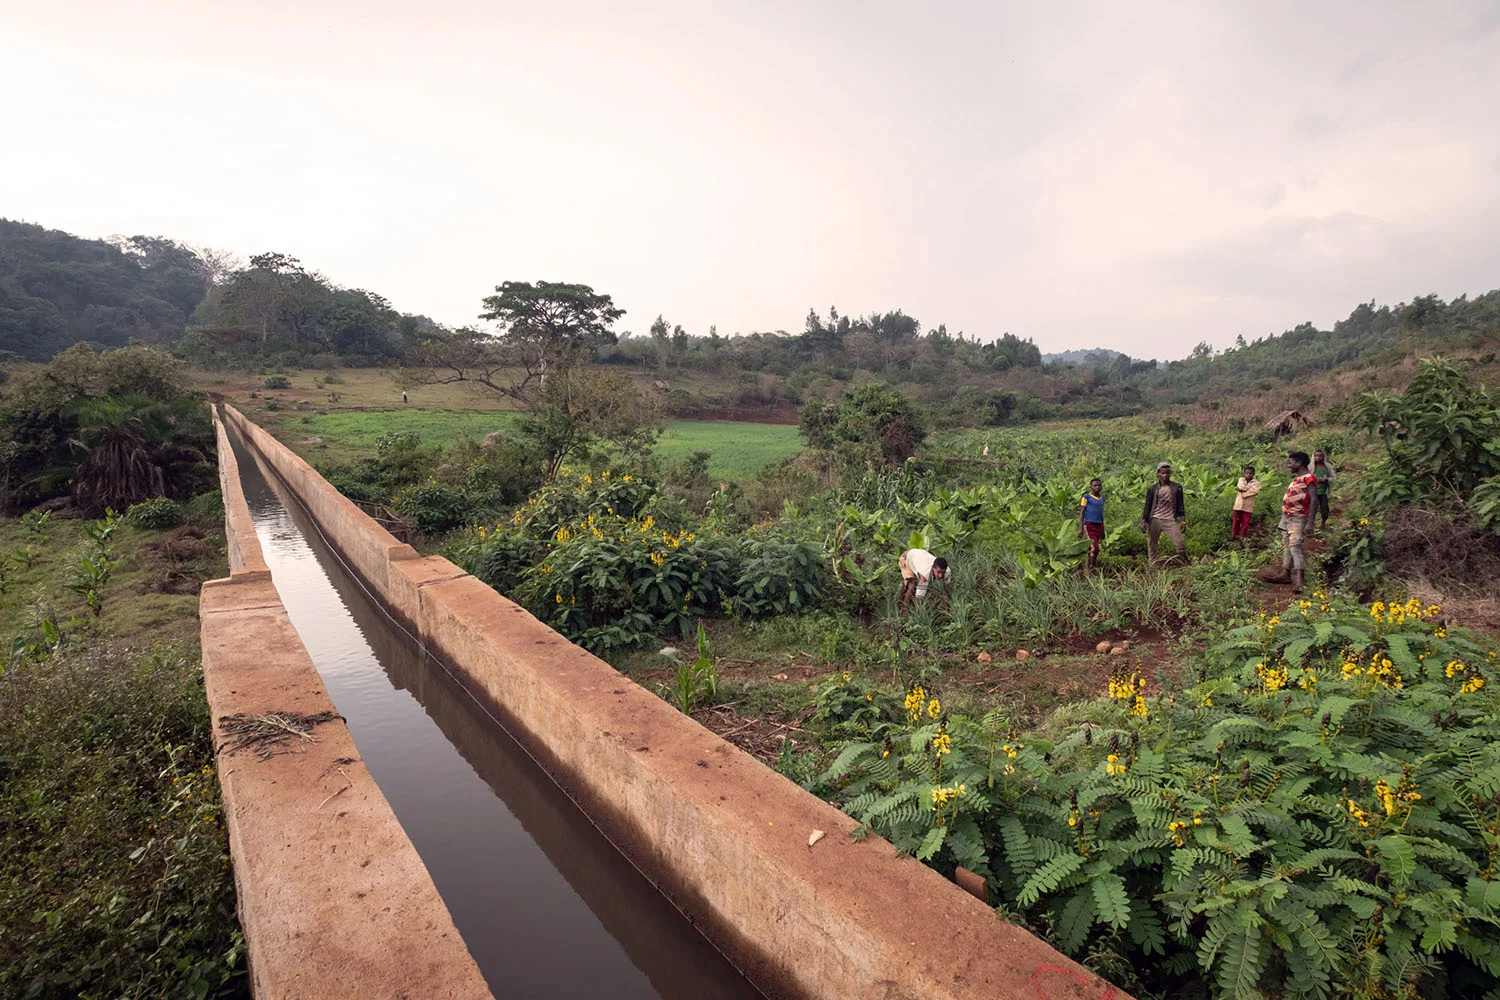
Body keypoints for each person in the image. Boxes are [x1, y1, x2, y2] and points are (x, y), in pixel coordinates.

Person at [1265, 451, 1318, 593]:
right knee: (1287, 545)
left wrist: (1310, 522)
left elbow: (1314, 499)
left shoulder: (1308, 478)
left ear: (1299, 463)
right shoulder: (1298, 479)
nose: (1289, 465)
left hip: (1298, 517)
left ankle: (1300, 581)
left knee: (1295, 546)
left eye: (1291, 462)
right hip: (1287, 516)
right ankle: (1285, 574)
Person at [1140, 462, 1186, 565]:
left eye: (1167, 473)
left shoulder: (1177, 487)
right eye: (1163, 473)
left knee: (1180, 544)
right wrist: (1144, 521)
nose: (1165, 475)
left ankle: (1185, 564)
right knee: (1152, 545)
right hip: (1155, 519)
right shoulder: (1153, 489)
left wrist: (1183, 520)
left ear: (1170, 473)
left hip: (1169, 519)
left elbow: (1180, 505)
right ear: (1158, 474)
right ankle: (1152, 566)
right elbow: (1147, 505)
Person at [898, 548, 949, 613]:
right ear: (933, 568)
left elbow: (946, 591)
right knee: (911, 586)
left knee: (925, 589)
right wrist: (919, 615)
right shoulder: (925, 575)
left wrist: (947, 609)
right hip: (906, 558)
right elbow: (919, 597)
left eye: (943, 572)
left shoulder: (947, 572)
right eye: (938, 572)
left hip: (919, 557)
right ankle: (904, 611)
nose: (940, 575)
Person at [1078, 478, 1105, 572]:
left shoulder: (1102, 499)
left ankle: (1089, 566)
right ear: (1090, 487)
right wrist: (1080, 528)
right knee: (1094, 547)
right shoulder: (1086, 497)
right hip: (1089, 525)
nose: (1097, 487)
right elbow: (1082, 513)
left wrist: (1103, 531)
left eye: (1099, 485)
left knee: (1093, 548)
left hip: (1099, 525)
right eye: (1095, 485)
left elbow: (1101, 515)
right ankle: (1092, 568)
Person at [1231, 464, 1260, 542]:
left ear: (1253, 474)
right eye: (1246, 473)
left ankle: (1242, 536)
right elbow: (1240, 487)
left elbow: (1254, 491)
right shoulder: (1241, 480)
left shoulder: (1256, 483)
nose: (1248, 475)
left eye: (1250, 473)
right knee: (1236, 521)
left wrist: (1242, 492)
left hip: (1248, 507)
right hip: (1238, 505)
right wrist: (1247, 489)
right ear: (1244, 474)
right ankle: (1234, 535)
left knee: (1245, 523)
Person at [1311, 449, 1335, 531]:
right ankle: (1310, 526)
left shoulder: (1327, 466)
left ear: (1323, 456)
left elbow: (1333, 477)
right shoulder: (1310, 467)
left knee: (1325, 509)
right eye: (1316, 456)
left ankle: (1322, 525)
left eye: (1320, 456)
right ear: (1313, 457)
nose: (1318, 457)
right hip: (1312, 492)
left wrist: (1326, 480)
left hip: (1323, 492)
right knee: (1312, 509)